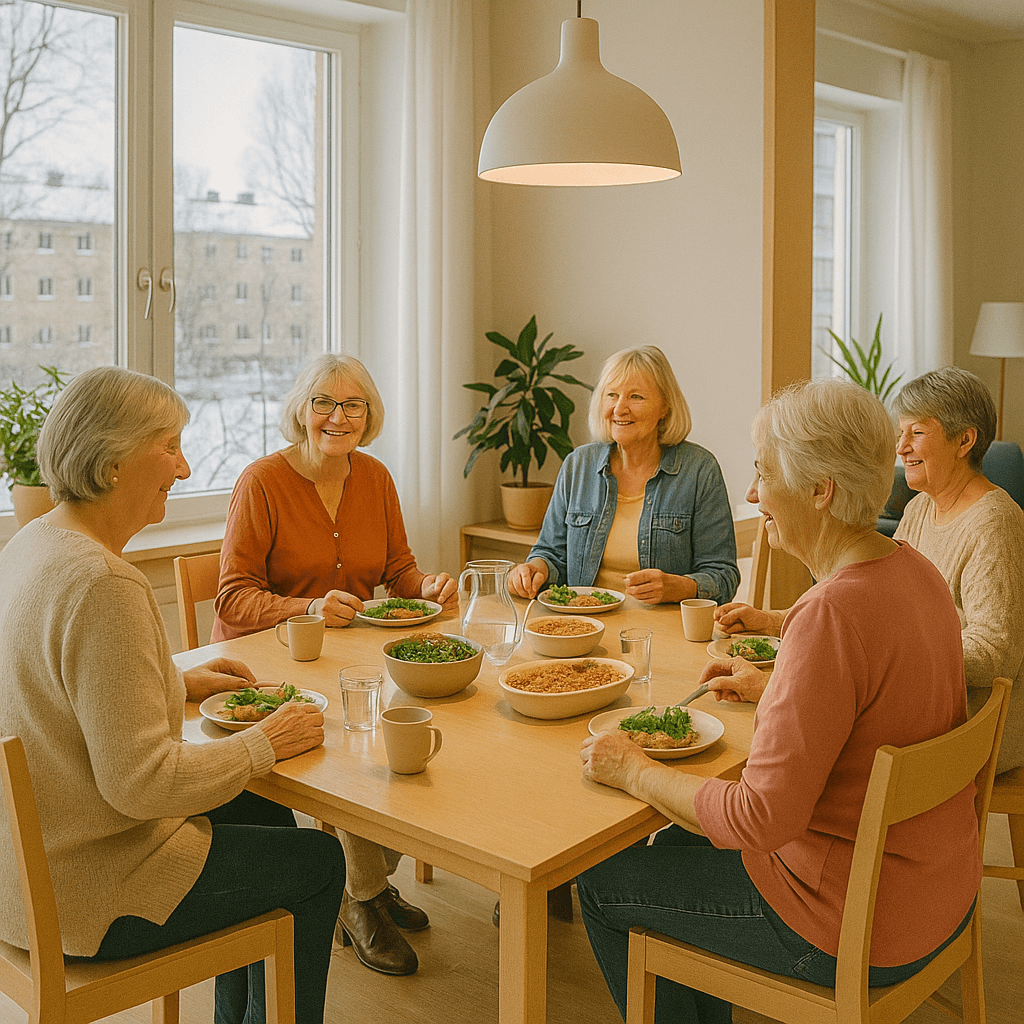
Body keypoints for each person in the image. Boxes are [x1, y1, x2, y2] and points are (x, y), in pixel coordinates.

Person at [577, 379, 980, 1024]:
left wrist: (633, 768)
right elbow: (887, 699)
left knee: (599, 877)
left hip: (851, 922)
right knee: (665, 846)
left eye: (764, 474)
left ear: (821, 490)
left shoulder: (830, 615)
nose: (752, 494)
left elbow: (758, 821)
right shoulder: (914, 570)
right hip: (937, 891)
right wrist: (781, 686)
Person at [0, 366, 345, 1024]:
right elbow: (141, 783)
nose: (184, 469)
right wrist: (263, 742)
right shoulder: (104, 581)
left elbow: (53, 683)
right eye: (169, 447)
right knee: (320, 859)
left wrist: (172, 681)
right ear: (110, 463)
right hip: (93, 893)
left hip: (22, 878)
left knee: (266, 819)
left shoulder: (32, 544)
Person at [213, 353, 453, 977]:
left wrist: (426, 586)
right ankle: (363, 897)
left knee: (412, 735)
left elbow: (398, 569)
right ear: (303, 409)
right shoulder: (262, 481)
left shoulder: (374, 477)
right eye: (324, 403)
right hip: (266, 666)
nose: (337, 416)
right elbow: (233, 596)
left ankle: (361, 879)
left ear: (368, 416)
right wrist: (309, 606)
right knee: (359, 745)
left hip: (350, 659)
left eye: (353, 406)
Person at [716, 367, 1024, 775]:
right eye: (900, 433)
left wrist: (879, 657)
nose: (901, 448)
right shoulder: (921, 508)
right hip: (919, 708)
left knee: (794, 747)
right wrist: (776, 621)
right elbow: (877, 615)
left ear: (964, 440)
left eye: (917, 433)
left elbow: (995, 656)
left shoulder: (994, 521)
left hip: (964, 730)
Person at [508, 346, 739, 606]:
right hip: (582, 623)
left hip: (663, 632)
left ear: (665, 407)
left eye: (636, 397)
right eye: (612, 395)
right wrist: (535, 569)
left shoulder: (699, 469)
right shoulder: (578, 465)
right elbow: (550, 554)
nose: (619, 408)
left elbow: (723, 577)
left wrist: (679, 587)